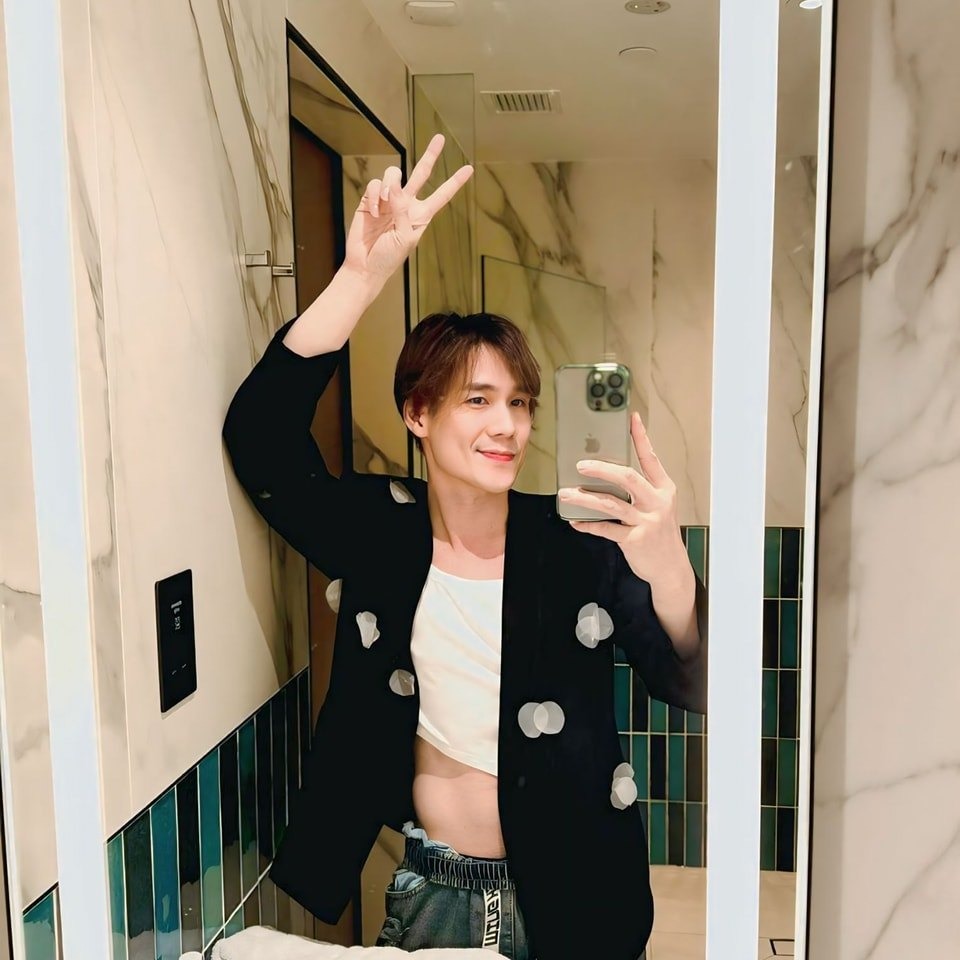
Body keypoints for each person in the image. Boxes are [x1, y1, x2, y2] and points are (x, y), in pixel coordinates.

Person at [222, 133, 707, 960]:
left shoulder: (578, 544)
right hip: (437, 896)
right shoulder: (381, 534)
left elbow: (691, 681)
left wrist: (669, 568)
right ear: (419, 413)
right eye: (478, 400)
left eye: (519, 403)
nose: (506, 424)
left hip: (580, 892)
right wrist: (360, 277)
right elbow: (261, 444)